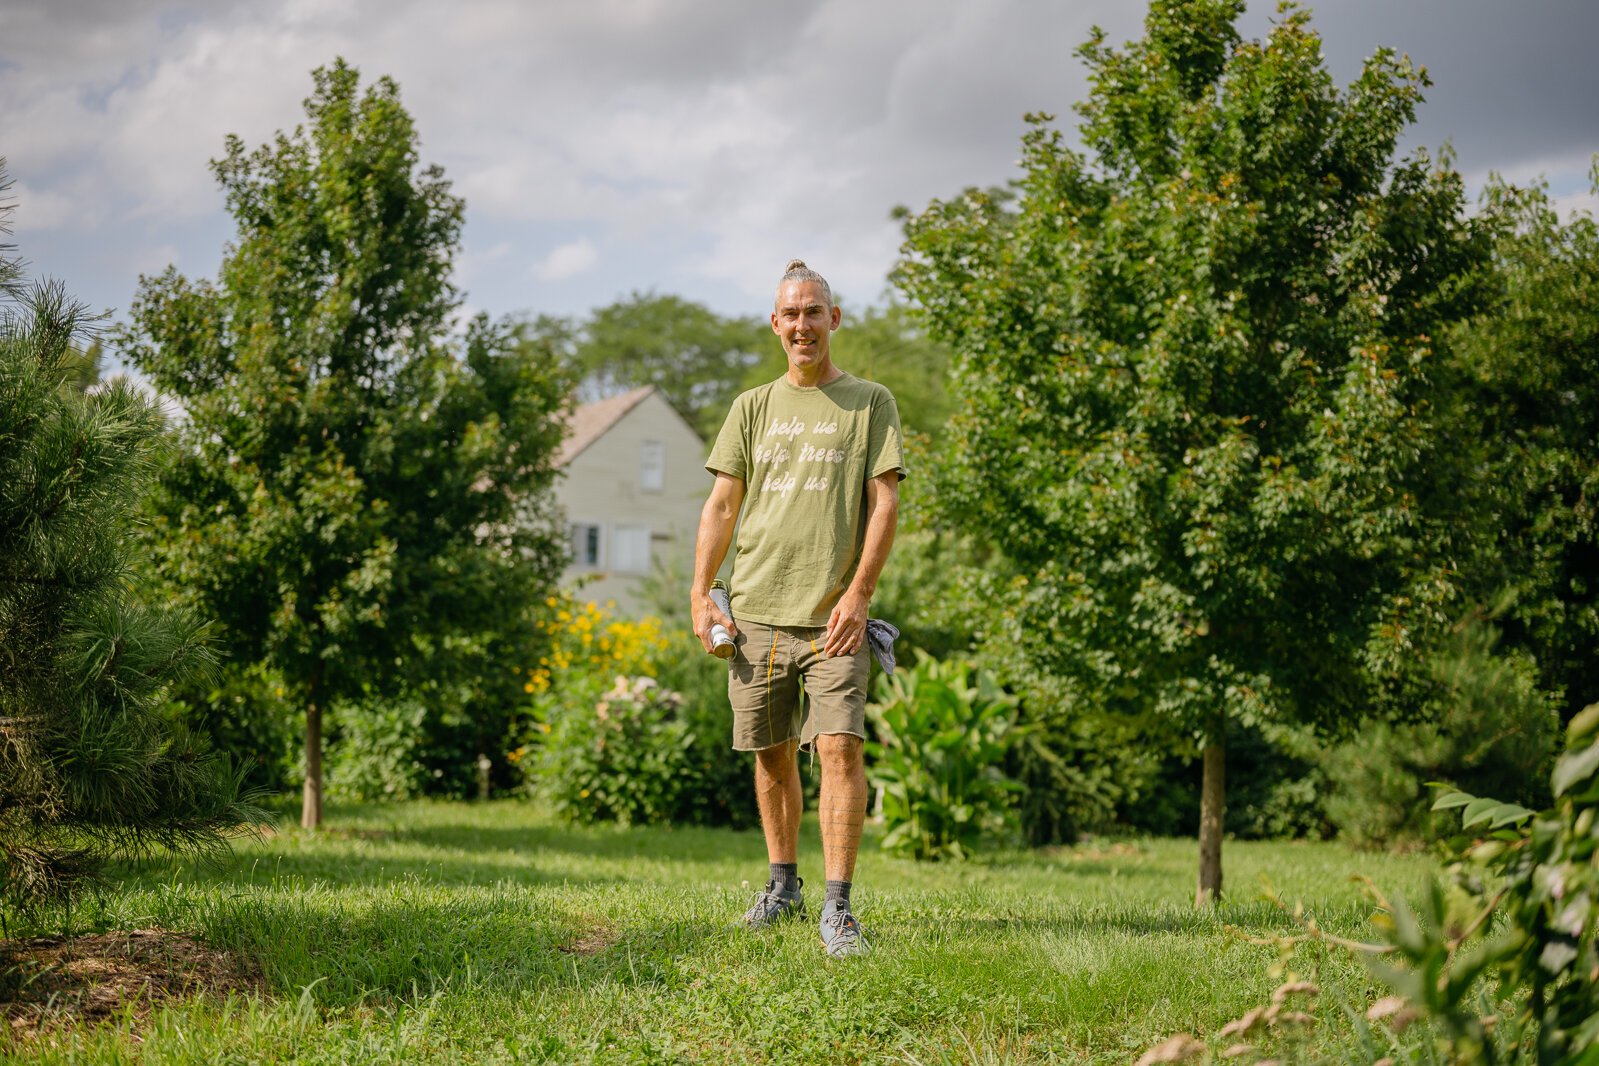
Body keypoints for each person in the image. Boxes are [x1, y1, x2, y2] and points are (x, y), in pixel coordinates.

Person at [691, 259, 905, 959]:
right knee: (770, 754)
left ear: (832, 320)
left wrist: (858, 593)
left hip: (834, 619)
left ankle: (838, 911)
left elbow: (885, 503)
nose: (803, 325)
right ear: (775, 325)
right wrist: (700, 594)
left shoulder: (870, 402)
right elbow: (722, 504)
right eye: (791, 314)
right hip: (753, 612)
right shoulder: (751, 406)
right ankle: (783, 887)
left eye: (815, 312)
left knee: (839, 748)